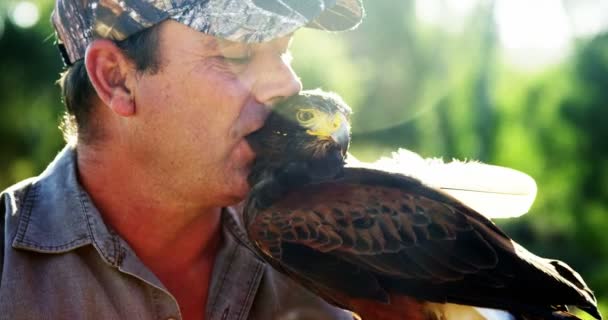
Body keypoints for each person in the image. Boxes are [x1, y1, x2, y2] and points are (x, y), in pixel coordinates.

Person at [0, 0, 364, 319]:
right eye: (236, 53)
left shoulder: (342, 241)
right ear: (116, 79)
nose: (288, 84)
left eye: (284, 50)